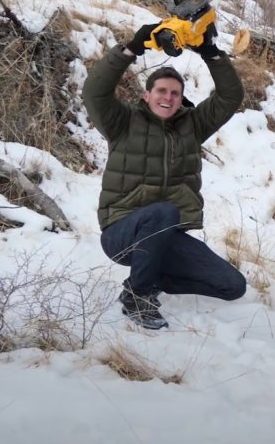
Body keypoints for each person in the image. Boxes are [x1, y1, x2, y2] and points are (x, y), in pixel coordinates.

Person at [82, 20, 246, 330]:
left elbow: (230, 97)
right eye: (161, 91)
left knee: (232, 285)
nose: (167, 97)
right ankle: (138, 295)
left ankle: (151, 276)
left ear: (181, 98)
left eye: (174, 93)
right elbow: (95, 92)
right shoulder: (122, 123)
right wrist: (132, 47)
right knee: (163, 211)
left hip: (165, 236)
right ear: (146, 95)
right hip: (121, 233)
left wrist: (211, 53)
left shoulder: (192, 127)